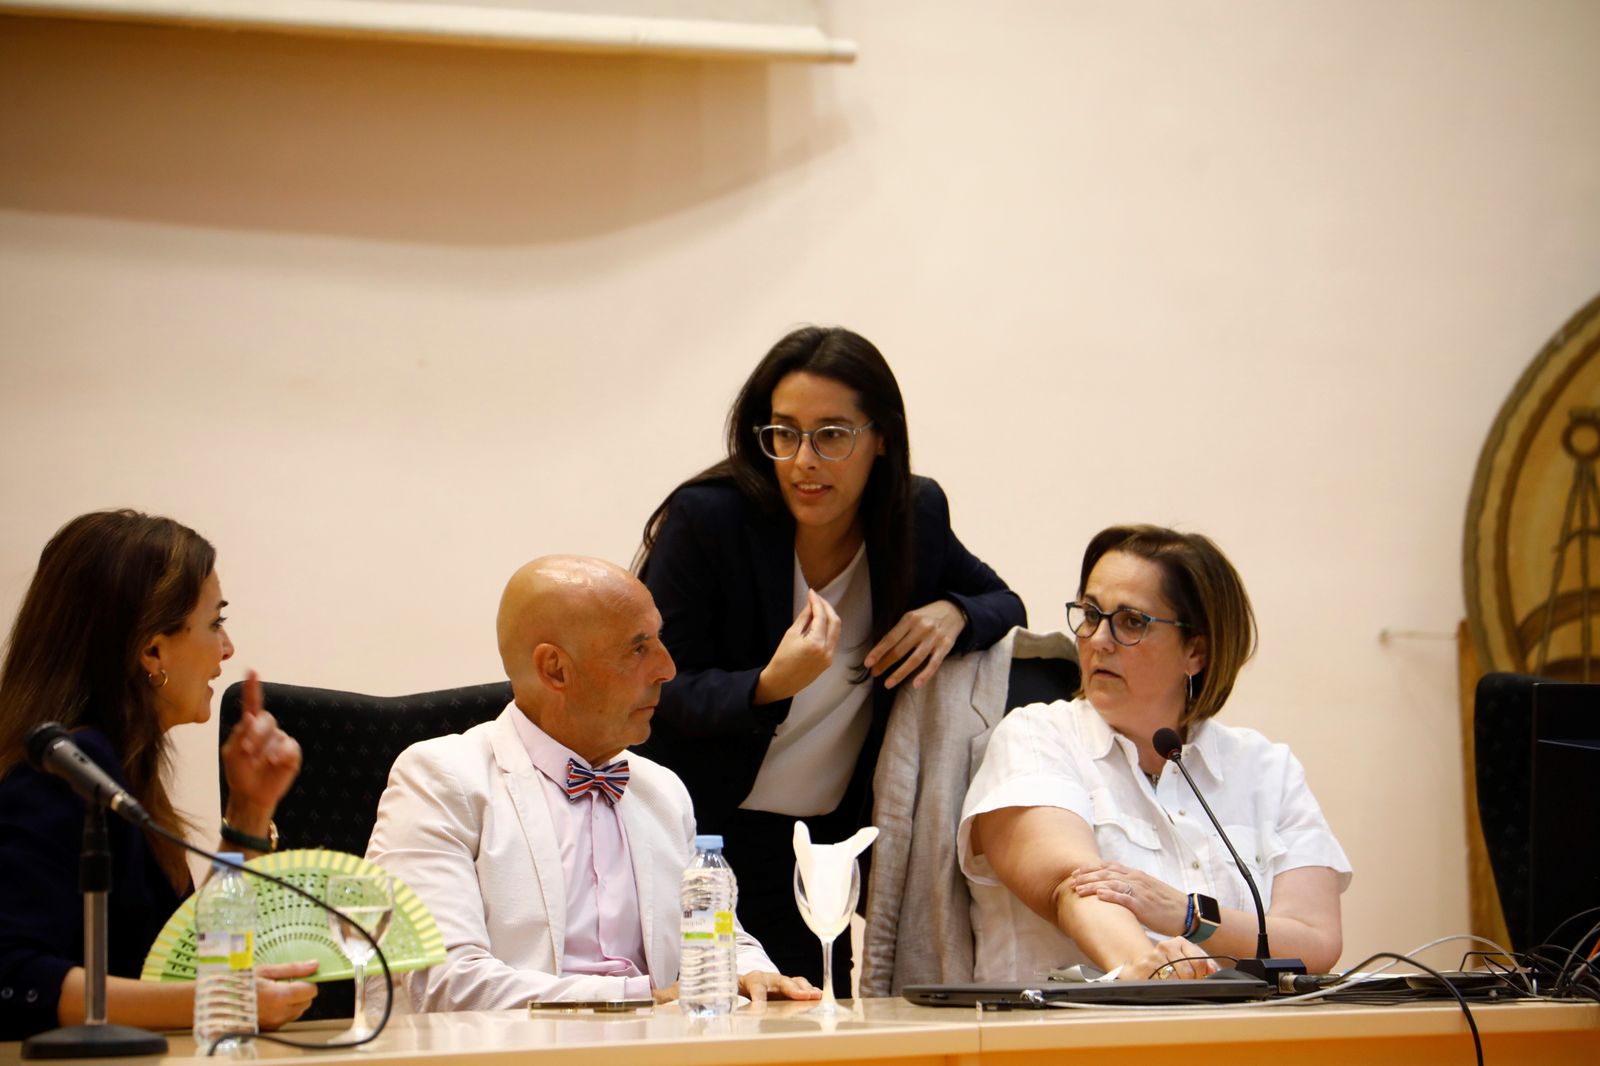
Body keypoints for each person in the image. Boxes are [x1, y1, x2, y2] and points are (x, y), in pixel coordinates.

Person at [634, 325, 1027, 992]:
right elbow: (651, 687)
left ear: (881, 439)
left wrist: (953, 613)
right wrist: (765, 686)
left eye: (832, 435)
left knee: (813, 1024)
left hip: (819, 844)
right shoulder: (711, 521)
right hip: (701, 842)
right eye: (783, 433)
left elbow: (1005, 602)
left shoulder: (913, 513)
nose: (803, 460)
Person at [365, 555, 819, 1010]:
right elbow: (442, 984)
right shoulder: (440, 779)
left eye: (660, 640)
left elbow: (719, 937)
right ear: (555, 670)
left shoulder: (661, 789)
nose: (667, 669)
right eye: (638, 648)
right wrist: (642, 996)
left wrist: (750, 973)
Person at [959, 525, 1350, 982]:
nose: (1098, 639)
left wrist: (1190, 917)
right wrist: (1149, 971)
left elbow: (1315, 941)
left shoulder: (1266, 769)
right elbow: (1076, 886)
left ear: (1196, 652)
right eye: (1090, 613)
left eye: (1131, 621)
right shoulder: (1036, 735)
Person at [0, 510, 318, 1041]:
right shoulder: (65, 771)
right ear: (152, 650)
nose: (227, 647)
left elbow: (190, 959)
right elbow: (13, 978)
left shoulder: (114, 765)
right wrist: (227, 1001)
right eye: (215, 622)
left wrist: (248, 812)